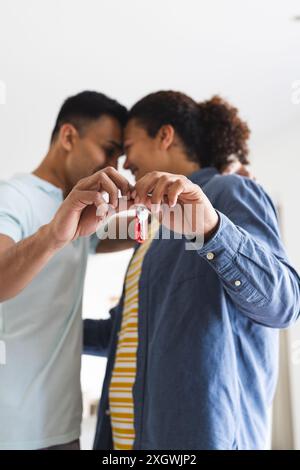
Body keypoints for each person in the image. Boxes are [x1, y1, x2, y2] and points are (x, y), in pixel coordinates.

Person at [84, 92, 300, 450]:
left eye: (129, 145)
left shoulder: (230, 191)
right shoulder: (152, 229)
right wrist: (40, 329)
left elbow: (285, 304)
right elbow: (124, 335)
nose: (125, 162)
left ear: (164, 136)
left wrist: (213, 230)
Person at [0, 91, 131, 450]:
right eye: (108, 149)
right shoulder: (14, 196)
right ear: (69, 136)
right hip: (11, 431)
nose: (114, 166)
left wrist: (156, 208)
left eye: (120, 156)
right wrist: (54, 235)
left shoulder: (76, 207)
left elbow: (119, 235)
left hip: (63, 428)